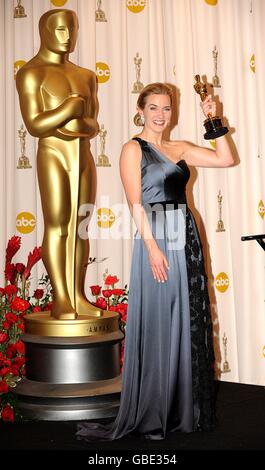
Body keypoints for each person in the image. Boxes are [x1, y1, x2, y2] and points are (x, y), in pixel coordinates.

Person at [76, 82, 234, 441]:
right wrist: (151, 246)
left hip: (185, 234)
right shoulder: (133, 149)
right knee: (160, 319)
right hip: (157, 237)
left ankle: (181, 409)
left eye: (166, 109)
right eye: (154, 108)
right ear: (141, 110)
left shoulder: (179, 148)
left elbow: (226, 158)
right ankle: (152, 411)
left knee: (184, 319)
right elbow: (135, 203)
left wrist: (214, 119)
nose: (161, 115)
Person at [16, 9, 102, 320]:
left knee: (80, 226)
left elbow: (91, 124)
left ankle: (78, 295)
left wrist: (76, 125)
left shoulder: (86, 76)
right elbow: (35, 125)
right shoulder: (31, 73)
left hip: (82, 154)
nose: (68, 37)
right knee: (58, 224)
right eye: (61, 30)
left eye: (72, 30)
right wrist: (68, 109)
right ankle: (61, 299)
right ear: (45, 31)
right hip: (52, 153)